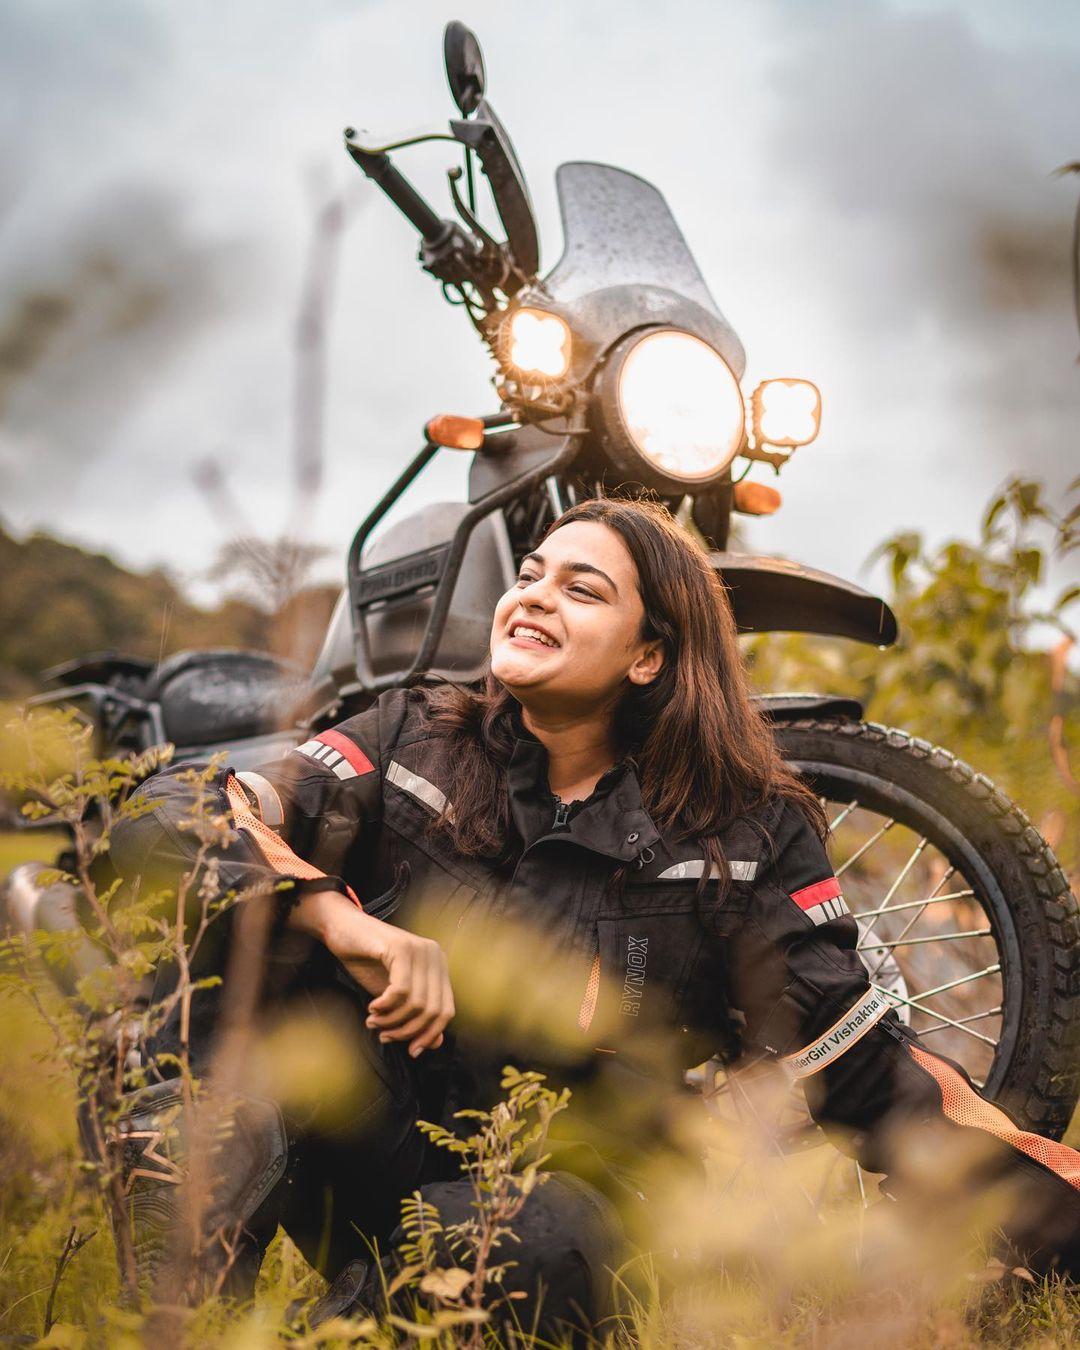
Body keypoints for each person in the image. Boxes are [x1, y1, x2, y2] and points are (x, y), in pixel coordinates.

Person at [111, 497, 1080, 1335]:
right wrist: (339, 919)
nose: (532, 595)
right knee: (219, 944)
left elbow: (870, 1073)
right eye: (530, 574)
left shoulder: (745, 832)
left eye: (582, 589)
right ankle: (174, 1316)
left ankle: (340, 1335)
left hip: (552, 1203)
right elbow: (182, 810)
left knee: (548, 1240)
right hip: (371, 1153)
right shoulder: (410, 736)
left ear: (651, 655)